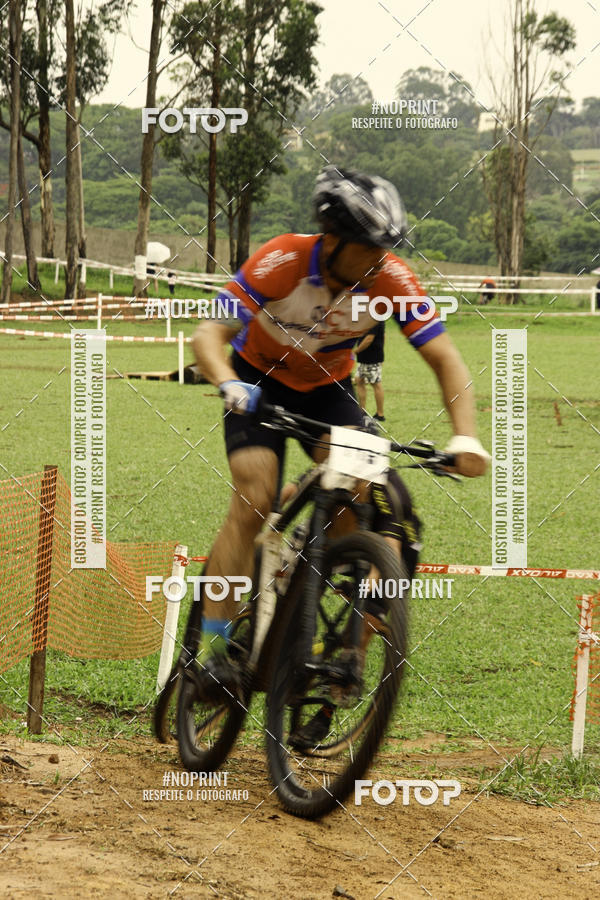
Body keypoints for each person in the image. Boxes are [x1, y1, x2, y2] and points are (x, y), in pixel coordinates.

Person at [191, 165, 490, 727]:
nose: (379, 260)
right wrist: (227, 382)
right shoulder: (282, 260)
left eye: (385, 250)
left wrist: (466, 436)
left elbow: (446, 358)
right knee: (254, 495)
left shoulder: (391, 279)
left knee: (373, 503)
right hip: (258, 383)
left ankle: (331, 635)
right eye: (368, 249)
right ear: (332, 241)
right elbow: (209, 334)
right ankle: (215, 650)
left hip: (329, 391)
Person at [355, 320, 386, 421]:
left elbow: (369, 338)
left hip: (371, 357)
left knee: (376, 384)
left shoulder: (375, 319)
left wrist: (357, 350)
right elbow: (383, 336)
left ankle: (380, 414)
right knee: (359, 380)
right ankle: (362, 411)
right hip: (365, 357)